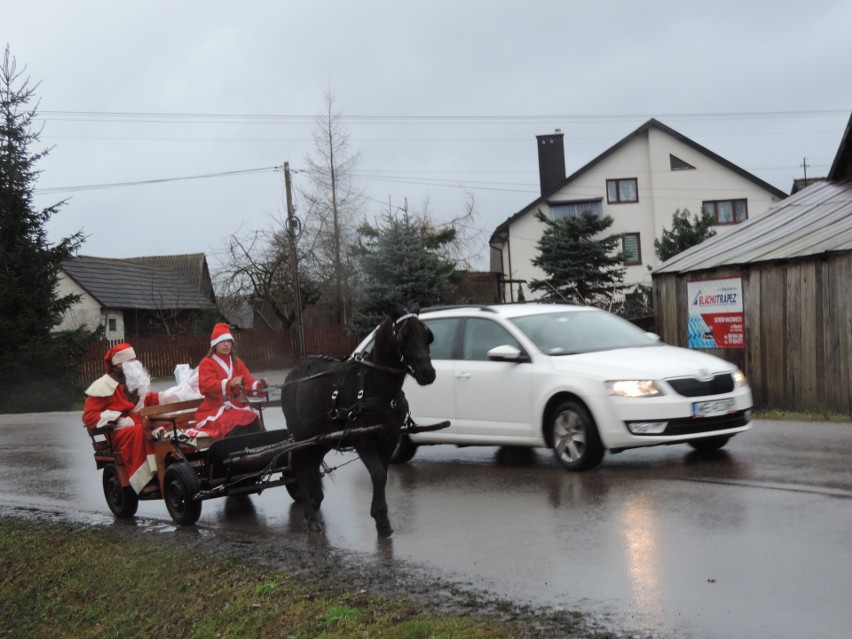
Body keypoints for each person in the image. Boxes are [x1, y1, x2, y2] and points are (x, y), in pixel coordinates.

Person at [82, 343, 163, 494]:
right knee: (141, 430)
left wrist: (174, 395)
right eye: (130, 360)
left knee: (166, 425)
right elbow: (89, 417)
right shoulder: (103, 386)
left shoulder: (134, 381)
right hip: (118, 432)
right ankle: (144, 479)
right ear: (118, 364)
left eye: (135, 359)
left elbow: (149, 399)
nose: (135, 364)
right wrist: (116, 418)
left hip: (138, 425)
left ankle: (170, 467)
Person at [194, 323, 268, 439]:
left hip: (235, 406)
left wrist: (260, 385)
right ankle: (235, 453)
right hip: (214, 409)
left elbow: (248, 384)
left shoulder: (237, 362)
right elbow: (206, 385)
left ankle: (260, 449)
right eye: (222, 341)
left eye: (229, 341)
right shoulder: (206, 362)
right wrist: (229, 384)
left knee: (253, 418)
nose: (226, 344)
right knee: (234, 422)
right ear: (215, 344)